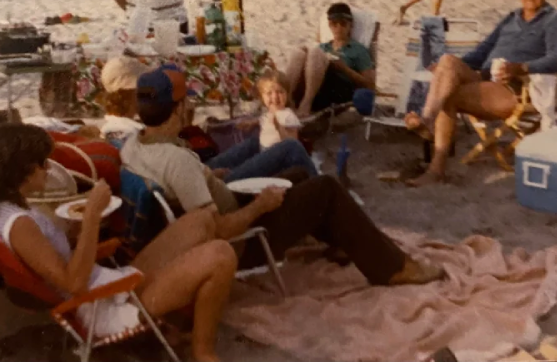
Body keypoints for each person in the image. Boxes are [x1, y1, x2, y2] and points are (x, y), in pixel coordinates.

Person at [121, 64, 444, 285]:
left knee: (297, 175)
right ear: (178, 109)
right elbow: (216, 230)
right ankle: (393, 269)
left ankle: (345, 241)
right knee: (326, 188)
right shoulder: (178, 162)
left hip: (213, 213)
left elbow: (189, 191)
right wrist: (259, 206)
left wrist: (210, 175)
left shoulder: (132, 145)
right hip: (241, 243)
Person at [0, 123, 236, 362]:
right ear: (25, 169)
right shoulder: (20, 226)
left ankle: (184, 321)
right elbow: (74, 284)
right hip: (103, 309)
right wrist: (91, 217)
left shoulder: (4, 208)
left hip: (108, 285)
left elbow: (55, 262)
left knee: (200, 221)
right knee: (221, 255)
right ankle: (203, 353)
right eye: (43, 163)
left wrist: (78, 234)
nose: (47, 169)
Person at [404, 0, 557, 186]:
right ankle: (428, 119)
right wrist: (449, 70)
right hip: (486, 79)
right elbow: (483, 50)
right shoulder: (510, 18)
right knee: (446, 62)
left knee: (449, 95)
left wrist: (520, 67)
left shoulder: (555, 20)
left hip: (515, 88)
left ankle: (436, 166)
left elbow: (556, 59)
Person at [205, 70, 317, 183]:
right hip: (265, 151)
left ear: (287, 95)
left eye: (280, 92)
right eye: (269, 93)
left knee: (256, 147)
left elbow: (293, 141)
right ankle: (212, 170)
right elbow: (263, 119)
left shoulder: (287, 115)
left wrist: (279, 127)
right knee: (253, 142)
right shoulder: (269, 113)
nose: (275, 97)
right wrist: (251, 123)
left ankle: (228, 176)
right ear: (262, 97)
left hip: (279, 162)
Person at [286, 3, 376, 118]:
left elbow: (370, 85)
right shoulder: (324, 46)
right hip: (317, 87)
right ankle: (288, 100)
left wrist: (344, 68)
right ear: (329, 25)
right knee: (299, 52)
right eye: (334, 24)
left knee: (315, 53)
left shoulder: (358, 50)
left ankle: (306, 104)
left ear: (350, 25)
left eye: (343, 24)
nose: (338, 28)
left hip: (337, 92)